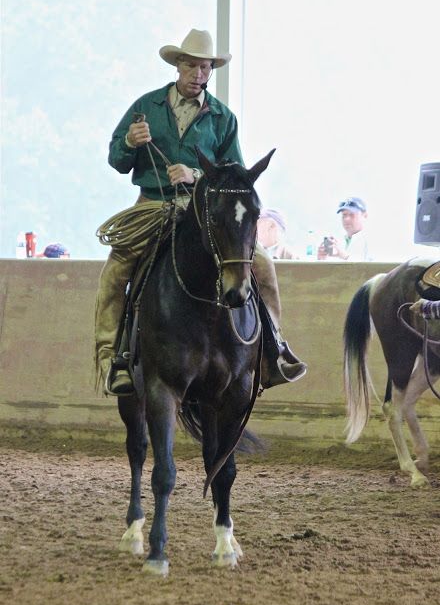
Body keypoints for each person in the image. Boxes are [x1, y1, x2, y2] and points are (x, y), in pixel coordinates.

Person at [95, 28, 306, 395]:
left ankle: (273, 352)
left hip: (206, 211)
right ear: (178, 65)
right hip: (152, 206)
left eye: (205, 68)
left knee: (264, 267)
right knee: (115, 273)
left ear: (211, 71)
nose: (198, 74)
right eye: (191, 65)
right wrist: (129, 142)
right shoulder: (146, 107)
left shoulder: (224, 118)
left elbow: (237, 176)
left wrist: (196, 175)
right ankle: (113, 359)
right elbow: (117, 159)